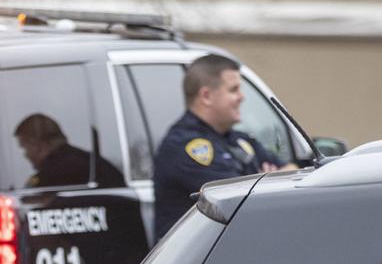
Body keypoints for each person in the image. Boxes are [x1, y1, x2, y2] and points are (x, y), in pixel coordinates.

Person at [153, 53, 288, 241]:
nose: (241, 97)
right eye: (234, 90)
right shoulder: (184, 146)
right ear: (207, 96)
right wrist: (268, 180)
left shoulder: (238, 140)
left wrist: (266, 183)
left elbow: (292, 174)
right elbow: (241, 203)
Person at [14, 113, 125, 189]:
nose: (25, 155)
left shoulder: (51, 176)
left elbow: (27, 202)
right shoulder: (97, 165)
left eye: (25, 147)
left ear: (38, 145)